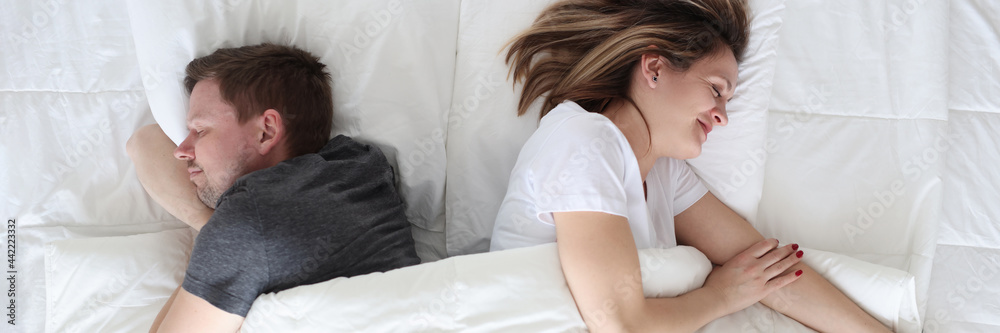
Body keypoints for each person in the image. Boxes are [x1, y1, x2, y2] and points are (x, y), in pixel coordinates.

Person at [490, 0, 890, 332]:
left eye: (728, 101)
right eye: (716, 90)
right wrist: (719, 296)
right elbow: (620, 325)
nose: (723, 117)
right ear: (655, 69)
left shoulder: (665, 174)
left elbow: (768, 274)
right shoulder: (583, 139)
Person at [125, 43, 420, 332]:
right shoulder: (359, 164)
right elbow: (145, 142)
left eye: (200, 130)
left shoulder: (247, 222)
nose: (182, 150)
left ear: (266, 131)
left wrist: (219, 231)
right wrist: (211, 226)